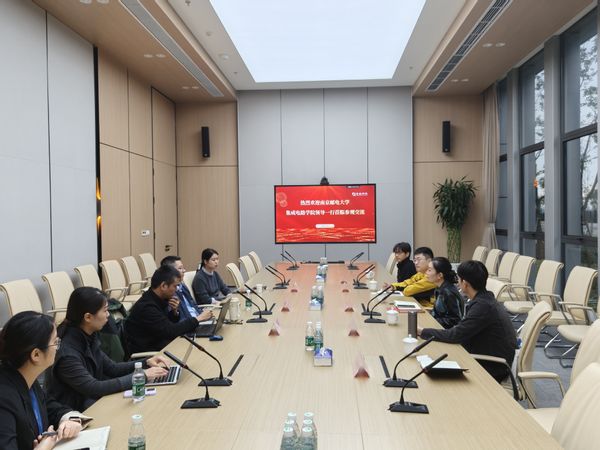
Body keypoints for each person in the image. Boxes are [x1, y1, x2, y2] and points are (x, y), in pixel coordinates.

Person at [46, 287, 171, 412]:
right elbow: (94, 388)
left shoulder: (88, 336)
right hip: (76, 413)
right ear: (88, 317)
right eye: (105, 310)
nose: (108, 315)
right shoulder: (67, 353)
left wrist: (146, 362)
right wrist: (141, 376)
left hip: (92, 402)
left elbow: (112, 368)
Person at [418, 260, 517, 382]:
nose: (457, 283)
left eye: (459, 279)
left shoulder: (483, 307)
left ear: (464, 283)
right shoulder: (484, 300)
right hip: (482, 355)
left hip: (491, 367)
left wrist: (422, 331)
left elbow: (456, 335)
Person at [0, 311, 83, 450]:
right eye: (55, 342)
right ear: (36, 354)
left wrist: (70, 420)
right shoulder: (4, 397)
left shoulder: (27, 379)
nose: (58, 347)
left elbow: (52, 408)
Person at [125, 265, 214, 354]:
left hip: (163, 345)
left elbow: (164, 325)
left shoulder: (158, 299)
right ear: (163, 286)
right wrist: (198, 319)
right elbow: (171, 331)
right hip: (150, 354)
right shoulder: (147, 307)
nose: (176, 289)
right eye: (175, 286)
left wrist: (174, 312)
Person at [161, 255, 205, 322]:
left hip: (198, 320)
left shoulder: (182, 285)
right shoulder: (169, 292)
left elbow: (193, 304)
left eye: (183, 268)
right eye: (180, 268)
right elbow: (179, 320)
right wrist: (198, 319)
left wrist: (203, 315)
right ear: (170, 271)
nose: (184, 270)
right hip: (190, 324)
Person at [426, 257, 464, 328]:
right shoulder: (439, 288)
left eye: (429, 270)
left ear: (440, 275)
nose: (426, 272)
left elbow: (456, 320)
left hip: (447, 331)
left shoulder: (448, 292)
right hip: (438, 327)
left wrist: (432, 320)